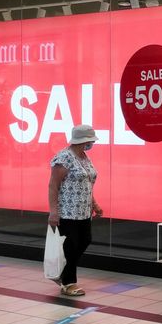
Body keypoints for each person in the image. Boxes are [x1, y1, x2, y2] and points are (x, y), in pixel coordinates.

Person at [48, 125, 103, 297]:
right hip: (67, 211)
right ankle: (68, 282)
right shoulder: (64, 157)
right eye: (91, 140)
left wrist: (94, 204)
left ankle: (62, 274)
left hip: (84, 211)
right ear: (83, 140)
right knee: (71, 246)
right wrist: (53, 211)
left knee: (85, 240)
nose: (92, 143)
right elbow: (53, 185)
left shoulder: (84, 157)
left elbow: (86, 184)